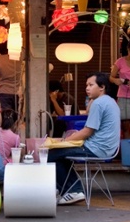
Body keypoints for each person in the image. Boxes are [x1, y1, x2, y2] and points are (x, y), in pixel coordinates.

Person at [48, 72, 120, 205]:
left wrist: (65, 141)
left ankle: (73, 190)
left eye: (91, 85)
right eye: (86, 85)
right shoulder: (110, 101)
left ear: (102, 87)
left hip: (96, 149)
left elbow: (87, 131)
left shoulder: (99, 103)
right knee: (62, 154)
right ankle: (66, 189)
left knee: (51, 154)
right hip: (107, 149)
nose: (87, 88)